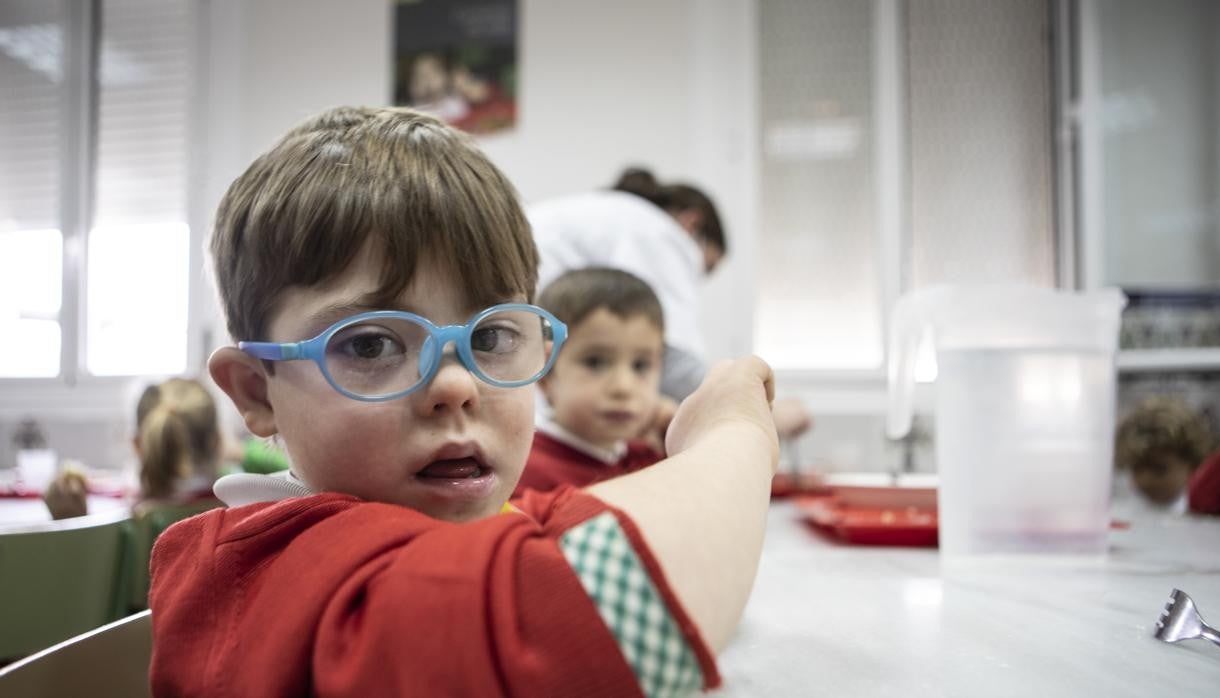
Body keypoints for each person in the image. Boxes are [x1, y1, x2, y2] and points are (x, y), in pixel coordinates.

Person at [149, 106, 780, 696]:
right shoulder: (258, 571)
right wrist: (735, 431)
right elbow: (585, 623)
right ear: (257, 391)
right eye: (370, 345)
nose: (456, 385)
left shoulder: (496, 511)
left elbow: (575, 523)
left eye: (490, 338)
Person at [528, 168, 812, 439]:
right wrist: (761, 411)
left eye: (640, 367)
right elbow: (675, 364)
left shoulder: (610, 216)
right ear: (691, 223)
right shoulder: (661, 232)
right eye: (705, 267)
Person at [516, 267, 667, 495]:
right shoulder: (524, 474)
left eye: (640, 366)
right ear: (545, 375)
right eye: (595, 362)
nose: (623, 387)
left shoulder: (651, 457)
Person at [43, 377, 223, 520]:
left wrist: (72, 517)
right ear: (217, 442)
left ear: (136, 444)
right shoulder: (228, 513)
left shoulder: (117, 516)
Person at [1113, 396, 1216, 508]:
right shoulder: (1120, 508)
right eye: (1137, 469)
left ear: (1192, 465)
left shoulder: (1206, 510)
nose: (1146, 480)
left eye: (1159, 469)